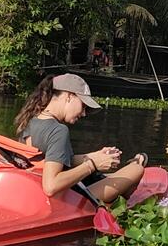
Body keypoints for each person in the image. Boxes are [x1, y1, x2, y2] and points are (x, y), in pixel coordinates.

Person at [14, 73, 147, 203]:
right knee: (136, 169)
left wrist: (92, 157)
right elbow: (51, 186)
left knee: (117, 172)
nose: (83, 114)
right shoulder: (58, 131)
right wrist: (92, 165)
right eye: (83, 106)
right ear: (69, 96)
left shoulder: (30, 121)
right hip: (68, 199)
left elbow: (47, 160)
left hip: (36, 191)